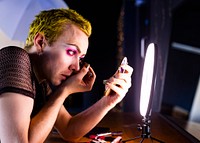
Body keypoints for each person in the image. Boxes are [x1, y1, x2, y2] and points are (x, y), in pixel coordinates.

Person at [0, 8, 133, 143]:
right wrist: (64, 91)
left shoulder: (41, 82)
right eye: (71, 51)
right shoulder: (14, 58)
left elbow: (69, 129)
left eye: (80, 58)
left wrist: (108, 101)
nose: (76, 67)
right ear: (40, 42)